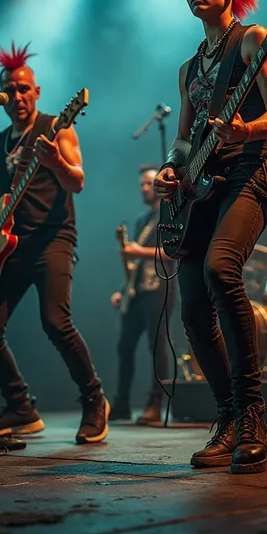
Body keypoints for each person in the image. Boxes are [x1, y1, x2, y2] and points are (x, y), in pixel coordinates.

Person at [154, 0, 267, 474]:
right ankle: (228, 416)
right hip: (200, 188)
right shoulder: (189, 70)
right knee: (190, 307)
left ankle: (254, 411)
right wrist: (170, 169)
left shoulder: (255, 40)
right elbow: (184, 142)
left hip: (252, 171)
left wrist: (243, 129)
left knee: (220, 269)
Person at [0, 43, 109, 443]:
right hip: (8, 247)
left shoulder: (56, 127)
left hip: (53, 238)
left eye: (25, 88)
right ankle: (20, 407)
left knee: (55, 321)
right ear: (2, 96)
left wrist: (55, 163)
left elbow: (77, 181)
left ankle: (94, 400)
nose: (19, 96)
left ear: (37, 91)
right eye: (11, 90)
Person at [109, 165, 175, 425]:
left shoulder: (170, 215)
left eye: (149, 183)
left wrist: (139, 252)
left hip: (158, 289)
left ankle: (156, 404)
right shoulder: (141, 221)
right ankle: (122, 403)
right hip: (137, 292)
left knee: (156, 347)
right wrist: (123, 290)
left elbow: (173, 253)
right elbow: (134, 265)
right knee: (124, 346)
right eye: (142, 185)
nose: (145, 188)